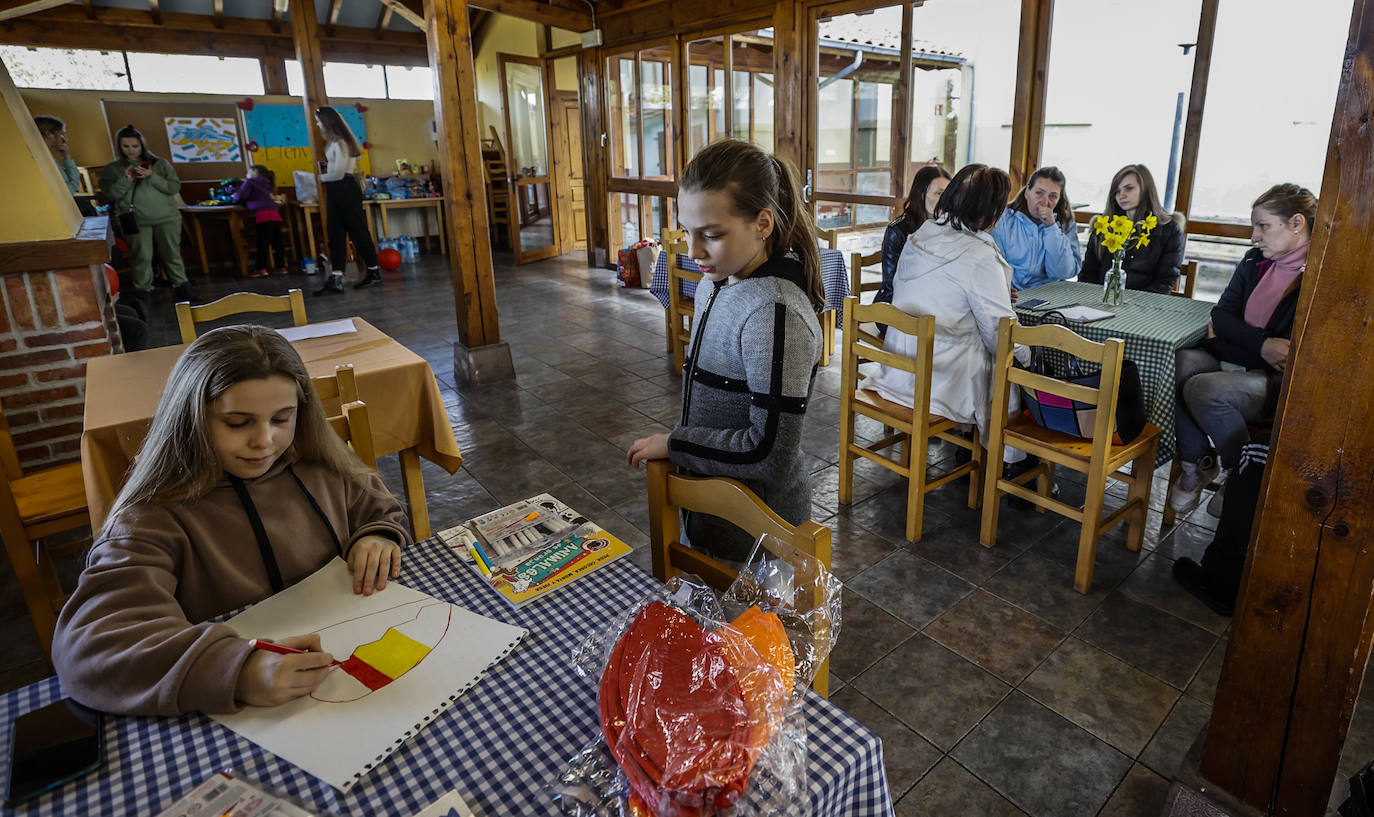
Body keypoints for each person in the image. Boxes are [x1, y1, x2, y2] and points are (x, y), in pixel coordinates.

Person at [52, 326, 412, 716]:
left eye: (281, 418)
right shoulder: (151, 517)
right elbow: (91, 647)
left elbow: (377, 505)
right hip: (251, 706)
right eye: (238, 423)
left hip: (343, 677)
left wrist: (376, 534)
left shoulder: (319, 465)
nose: (264, 441)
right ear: (190, 419)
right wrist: (235, 671)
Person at [625, 140, 824, 564]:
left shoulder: (775, 313)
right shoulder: (716, 282)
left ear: (763, 224)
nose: (693, 251)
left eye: (711, 235)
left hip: (759, 536)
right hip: (712, 513)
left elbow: (768, 451)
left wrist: (676, 443)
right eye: (686, 232)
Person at [865, 163, 1030, 467]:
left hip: (898, 371)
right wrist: (1029, 355)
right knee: (1014, 366)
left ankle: (975, 453)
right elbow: (999, 334)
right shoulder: (979, 256)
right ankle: (1013, 463)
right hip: (939, 385)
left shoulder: (920, 236)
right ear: (991, 214)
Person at [1167, 183, 1316, 515]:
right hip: (1243, 359)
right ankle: (1196, 463)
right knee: (1174, 364)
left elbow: (1287, 356)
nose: (1254, 237)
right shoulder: (1254, 260)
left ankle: (1241, 474)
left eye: (1263, 226)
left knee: (1203, 389)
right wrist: (1261, 344)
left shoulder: (1318, 277)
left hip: (1276, 383)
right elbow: (1221, 315)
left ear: (1296, 223)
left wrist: (1226, 340)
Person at [99, 124, 193, 310]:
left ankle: (182, 290)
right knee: (141, 257)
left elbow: (173, 188)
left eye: (135, 146)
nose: (131, 150)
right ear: (119, 147)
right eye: (126, 146)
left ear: (142, 145)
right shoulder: (113, 169)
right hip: (135, 220)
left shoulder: (160, 164)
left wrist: (151, 176)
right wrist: (126, 180)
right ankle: (143, 294)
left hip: (167, 217)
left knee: (172, 255)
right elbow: (111, 194)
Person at [1078, 164, 1184, 293]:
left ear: (1146, 189)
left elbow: (1165, 282)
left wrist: (1132, 305)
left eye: (1129, 188)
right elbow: (1087, 275)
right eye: (1117, 191)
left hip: (1146, 307)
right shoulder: (1104, 226)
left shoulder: (1169, 230)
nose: (1121, 195)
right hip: (1100, 302)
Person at [315, 106, 381, 294]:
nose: (318, 124)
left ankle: (374, 272)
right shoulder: (335, 143)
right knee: (335, 232)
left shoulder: (341, 143)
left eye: (319, 121)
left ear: (328, 122)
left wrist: (321, 177)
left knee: (357, 231)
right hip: (337, 189)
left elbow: (338, 173)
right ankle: (336, 278)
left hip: (344, 187)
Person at [991, 166, 1082, 292]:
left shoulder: (1065, 224)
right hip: (1009, 292)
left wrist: (1051, 227)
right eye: (1039, 193)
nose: (1045, 202)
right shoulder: (1004, 220)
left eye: (1053, 196)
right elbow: (994, 265)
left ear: (1059, 199)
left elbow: (1062, 272)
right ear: (1027, 192)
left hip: (1048, 295)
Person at [876, 164, 951, 312]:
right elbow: (893, 284)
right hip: (894, 306)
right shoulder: (898, 230)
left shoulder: (950, 228)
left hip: (934, 303)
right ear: (921, 194)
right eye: (940, 194)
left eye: (949, 194)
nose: (946, 201)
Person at [234, 164, 288, 277]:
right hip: (275, 214)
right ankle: (281, 267)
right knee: (278, 243)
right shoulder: (267, 182)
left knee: (262, 244)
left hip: (262, 216)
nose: (246, 174)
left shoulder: (249, 181)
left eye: (248, 172)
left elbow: (240, 196)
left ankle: (261, 269)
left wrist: (235, 196)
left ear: (254, 172)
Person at [34, 115, 81, 195]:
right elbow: (69, 190)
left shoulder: (47, 155)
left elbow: (67, 179)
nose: (66, 139)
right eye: (62, 134)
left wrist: (66, 156)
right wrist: (67, 156)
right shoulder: (42, 158)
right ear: (49, 134)